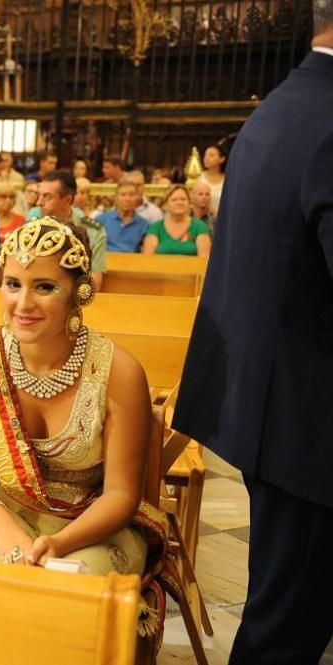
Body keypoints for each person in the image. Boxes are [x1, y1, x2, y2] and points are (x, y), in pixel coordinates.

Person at [173, 14, 333, 661]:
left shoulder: (282, 107)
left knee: (283, 611)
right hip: (312, 430)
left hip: (277, 412)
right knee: (285, 629)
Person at [0, 216, 173, 651]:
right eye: (12, 284)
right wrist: (1, 527)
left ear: (79, 292)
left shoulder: (119, 372)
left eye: (44, 287)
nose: (23, 303)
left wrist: (60, 543)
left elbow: (121, 496)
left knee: (61, 604)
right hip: (1, 513)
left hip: (91, 525)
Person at [37, 170, 107, 290]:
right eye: (39, 195)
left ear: (67, 200)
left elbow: (95, 279)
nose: (39, 202)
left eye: (47, 197)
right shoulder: (34, 225)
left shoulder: (93, 230)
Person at [141, 185, 211, 257]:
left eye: (183, 199)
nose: (179, 202)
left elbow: (204, 259)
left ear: (189, 203)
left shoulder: (199, 226)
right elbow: (148, 258)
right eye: (174, 200)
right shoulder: (156, 227)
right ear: (165, 205)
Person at [96, 179, 150, 253]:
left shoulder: (143, 224)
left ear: (137, 198)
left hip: (133, 261)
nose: (127, 199)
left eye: (131, 195)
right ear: (116, 197)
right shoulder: (101, 220)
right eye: (123, 195)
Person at [196, 143, 226, 215]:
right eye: (205, 156)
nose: (207, 158)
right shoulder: (199, 178)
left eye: (211, 155)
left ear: (222, 159)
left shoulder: (227, 179)